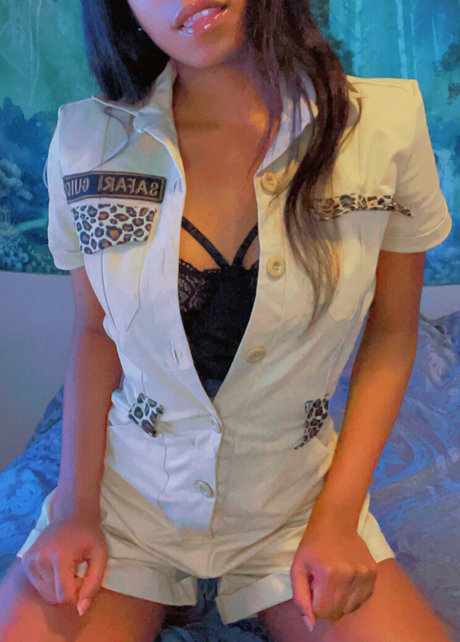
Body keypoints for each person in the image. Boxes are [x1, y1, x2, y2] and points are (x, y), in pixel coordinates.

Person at [0, 0, 454, 640]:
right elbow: (95, 331)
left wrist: (338, 515)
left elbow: (393, 331)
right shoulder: (88, 143)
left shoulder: (380, 128)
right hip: (131, 504)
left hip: (293, 504)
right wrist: (75, 508)